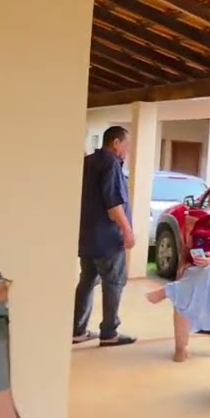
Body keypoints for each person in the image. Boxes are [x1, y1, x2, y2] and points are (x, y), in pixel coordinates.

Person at [145, 184, 210, 362]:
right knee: (186, 290)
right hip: (197, 271)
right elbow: (188, 248)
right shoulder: (202, 221)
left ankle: (168, 291)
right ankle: (180, 348)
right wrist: (183, 263)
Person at [71, 126, 137, 347]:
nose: (127, 151)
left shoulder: (88, 162)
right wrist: (127, 231)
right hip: (107, 239)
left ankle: (77, 330)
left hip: (87, 236)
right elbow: (113, 204)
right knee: (114, 282)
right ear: (116, 143)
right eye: (126, 145)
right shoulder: (111, 164)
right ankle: (109, 332)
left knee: (87, 281)